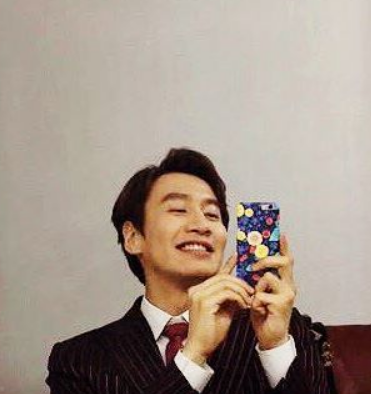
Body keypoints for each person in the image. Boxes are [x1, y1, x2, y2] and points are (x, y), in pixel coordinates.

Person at [46, 148, 333, 394]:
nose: (202, 225)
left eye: (212, 214)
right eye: (179, 210)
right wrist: (193, 356)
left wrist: (274, 346)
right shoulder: (79, 359)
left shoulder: (282, 328)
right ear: (133, 237)